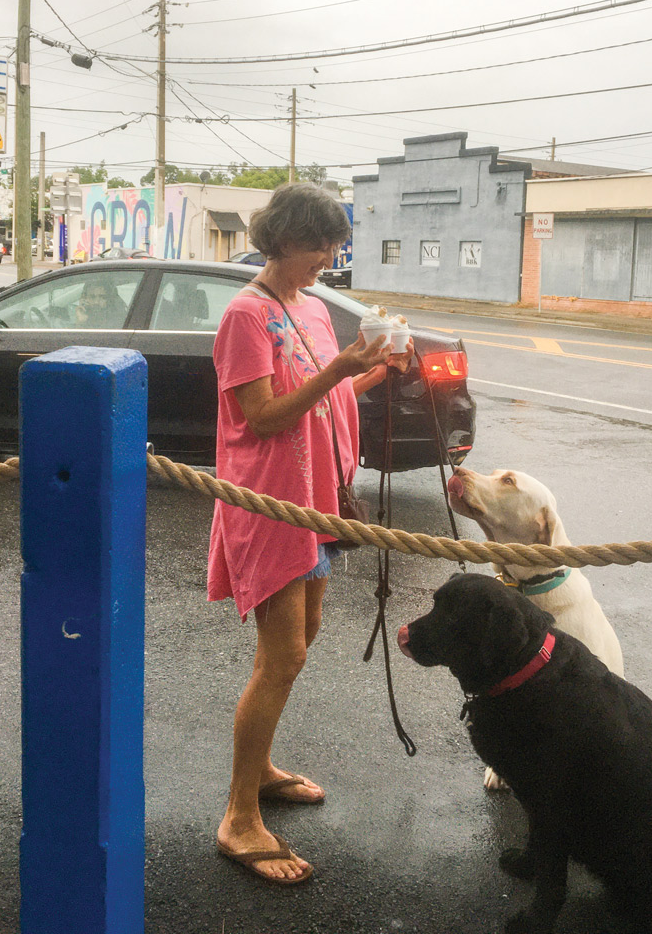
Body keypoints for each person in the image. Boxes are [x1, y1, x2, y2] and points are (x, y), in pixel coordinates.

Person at [209, 183, 412, 885]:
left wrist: (373, 369)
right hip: (269, 503)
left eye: (335, 243)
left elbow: (324, 396)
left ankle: (259, 770)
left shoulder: (313, 308)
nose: (330, 255)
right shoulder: (245, 315)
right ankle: (239, 816)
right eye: (319, 243)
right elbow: (263, 418)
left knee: (303, 640)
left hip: (317, 501)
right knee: (282, 655)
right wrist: (337, 367)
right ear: (283, 240)